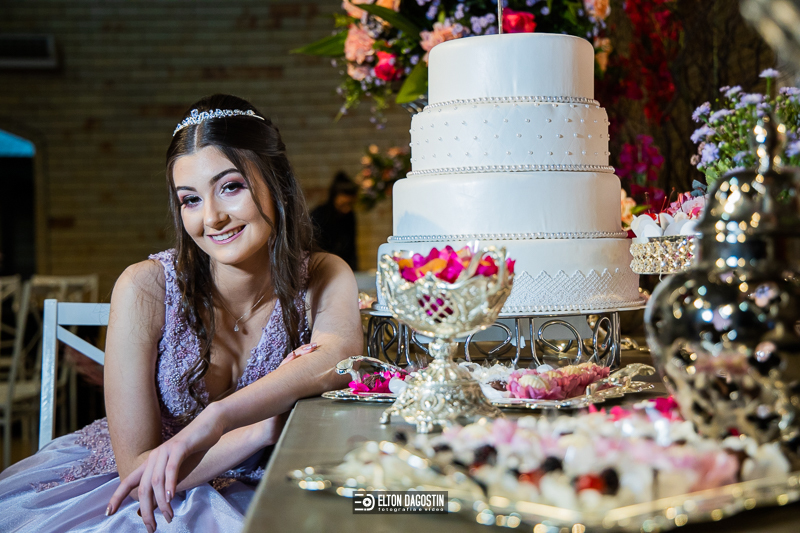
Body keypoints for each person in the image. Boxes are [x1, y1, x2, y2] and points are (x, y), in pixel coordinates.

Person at [0, 95, 362, 532]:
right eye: (190, 199)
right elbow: (139, 476)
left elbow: (340, 355)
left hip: (267, 483)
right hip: (137, 494)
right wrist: (258, 429)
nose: (212, 218)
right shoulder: (145, 286)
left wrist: (217, 417)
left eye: (231, 187)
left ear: (277, 184)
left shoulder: (324, 273)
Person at [310, 171, 359, 270]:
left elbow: (351, 249)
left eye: (350, 204)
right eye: (343, 204)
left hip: (343, 267)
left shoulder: (350, 216)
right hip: (322, 267)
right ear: (334, 197)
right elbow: (314, 247)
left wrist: (353, 271)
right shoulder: (319, 214)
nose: (347, 209)